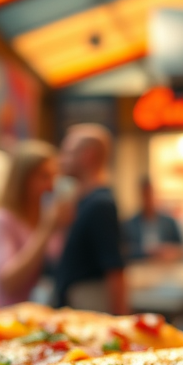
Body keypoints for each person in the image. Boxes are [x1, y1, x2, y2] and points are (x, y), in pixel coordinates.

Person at [0, 141, 69, 307]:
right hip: (8, 319)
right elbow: (8, 282)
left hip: (44, 316)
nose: (51, 185)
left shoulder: (48, 216)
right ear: (22, 179)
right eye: (44, 176)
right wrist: (46, 230)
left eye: (55, 176)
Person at [55, 124, 128, 314]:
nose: (61, 160)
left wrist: (119, 321)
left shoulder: (100, 204)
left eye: (68, 152)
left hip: (89, 308)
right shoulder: (81, 202)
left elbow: (114, 269)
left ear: (87, 155)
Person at [121, 177, 183, 261]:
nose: (148, 199)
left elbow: (181, 248)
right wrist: (148, 252)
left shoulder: (169, 222)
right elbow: (125, 251)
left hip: (166, 268)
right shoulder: (130, 225)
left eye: (150, 194)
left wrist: (169, 250)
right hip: (140, 268)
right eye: (145, 195)